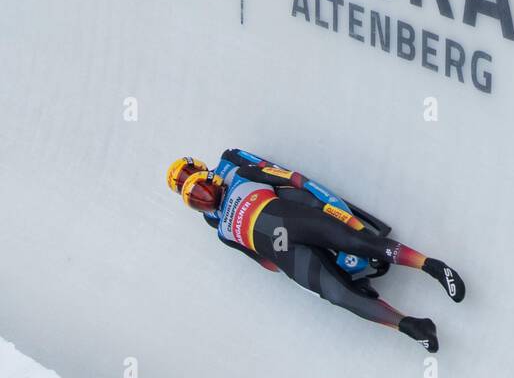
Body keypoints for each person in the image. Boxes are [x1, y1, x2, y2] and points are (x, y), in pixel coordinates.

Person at [167, 149, 465, 352]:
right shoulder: (221, 231)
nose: (205, 199)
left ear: (210, 177)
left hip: (296, 219)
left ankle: (433, 266)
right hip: (288, 254)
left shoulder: (240, 172)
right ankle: (412, 326)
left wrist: (329, 206)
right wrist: (286, 267)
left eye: (200, 188)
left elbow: (290, 179)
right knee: (338, 295)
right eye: (197, 200)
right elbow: (264, 262)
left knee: (358, 242)